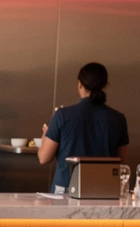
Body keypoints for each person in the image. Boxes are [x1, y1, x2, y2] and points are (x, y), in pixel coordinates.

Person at [37, 62, 129, 193]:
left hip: (65, 192)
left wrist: (46, 135)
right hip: (103, 192)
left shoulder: (63, 116)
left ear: (79, 84)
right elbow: (121, 163)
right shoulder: (118, 119)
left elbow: (43, 158)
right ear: (104, 85)